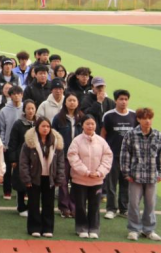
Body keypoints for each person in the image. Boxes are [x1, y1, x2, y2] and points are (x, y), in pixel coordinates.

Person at [19, 117, 65, 238]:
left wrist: (59, 178)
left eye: (48, 126)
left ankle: (47, 228)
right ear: (37, 127)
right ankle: (34, 228)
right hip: (34, 177)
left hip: (50, 178)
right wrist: (26, 178)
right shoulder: (29, 142)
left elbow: (60, 162)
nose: (45, 129)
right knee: (33, 203)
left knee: (48, 204)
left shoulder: (56, 142)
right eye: (43, 126)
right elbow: (23, 162)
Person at [67, 116, 113, 239]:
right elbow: (73, 157)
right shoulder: (76, 141)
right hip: (79, 180)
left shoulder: (101, 141)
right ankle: (81, 228)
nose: (90, 126)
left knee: (95, 206)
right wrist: (86, 172)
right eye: (87, 124)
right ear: (82, 125)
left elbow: (108, 157)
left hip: (97, 180)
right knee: (80, 206)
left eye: (92, 124)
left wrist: (99, 172)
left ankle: (94, 228)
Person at [121, 108, 161, 242]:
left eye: (149, 118)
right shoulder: (130, 135)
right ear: (138, 119)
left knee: (151, 204)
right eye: (144, 118)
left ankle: (148, 230)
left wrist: (160, 173)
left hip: (152, 176)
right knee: (133, 204)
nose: (147, 121)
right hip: (135, 176)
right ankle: (134, 229)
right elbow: (125, 154)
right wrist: (126, 172)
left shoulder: (158, 135)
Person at [101, 90, 136, 220]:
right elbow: (103, 133)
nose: (123, 102)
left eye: (126, 99)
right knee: (111, 183)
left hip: (128, 156)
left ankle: (124, 209)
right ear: (116, 100)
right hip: (112, 155)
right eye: (121, 99)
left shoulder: (133, 115)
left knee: (126, 183)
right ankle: (111, 209)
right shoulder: (108, 115)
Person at [52, 94, 83, 218]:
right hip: (63, 155)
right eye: (69, 100)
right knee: (63, 182)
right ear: (65, 102)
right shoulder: (58, 118)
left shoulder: (82, 117)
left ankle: (74, 207)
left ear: (77, 103)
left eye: (74, 100)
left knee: (76, 182)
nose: (72, 103)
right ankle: (64, 207)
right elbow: (53, 136)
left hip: (78, 156)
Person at [8, 100, 37, 217]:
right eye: (28, 108)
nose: (30, 111)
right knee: (21, 184)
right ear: (24, 109)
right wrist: (13, 159)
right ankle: (21, 206)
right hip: (21, 158)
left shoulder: (39, 123)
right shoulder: (18, 124)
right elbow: (13, 142)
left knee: (34, 184)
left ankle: (31, 207)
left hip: (35, 159)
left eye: (33, 108)